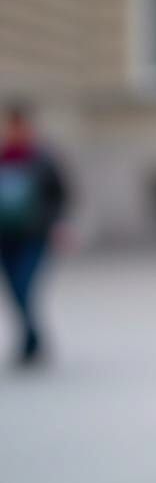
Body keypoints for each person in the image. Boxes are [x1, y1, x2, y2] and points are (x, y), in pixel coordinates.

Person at [0, 103, 68, 364]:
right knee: (13, 290)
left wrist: (58, 224)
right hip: (4, 236)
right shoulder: (3, 155)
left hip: (34, 234)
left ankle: (31, 340)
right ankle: (32, 339)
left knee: (23, 286)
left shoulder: (43, 159)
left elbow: (60, 194)